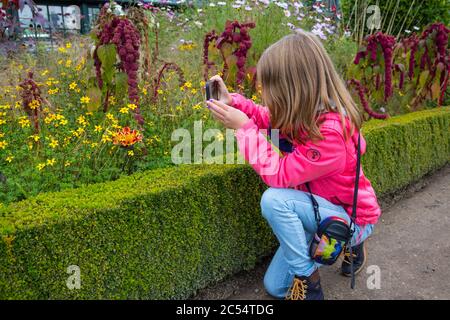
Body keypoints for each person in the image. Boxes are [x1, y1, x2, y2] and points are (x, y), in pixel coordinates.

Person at [205, 29, 381, 300]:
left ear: (292, 87)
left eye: (269, 88)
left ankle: (315, 277)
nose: (265, 95)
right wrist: (235, 103)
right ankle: (329, 242)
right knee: (276, 287)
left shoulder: (330, 134)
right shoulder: (308, 114)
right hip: (318, 206)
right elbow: (270, 118)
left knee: (275, 200)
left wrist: (244, 129)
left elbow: (278, 174)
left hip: (349, 216)